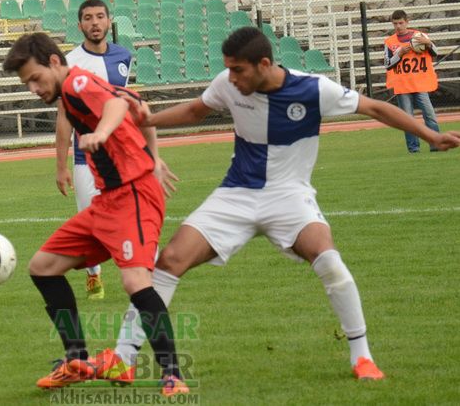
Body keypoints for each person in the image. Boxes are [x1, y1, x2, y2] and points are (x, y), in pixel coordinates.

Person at [96, 26, 460, 382]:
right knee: (170, 260)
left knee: (328, 259)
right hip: (236, 194)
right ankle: (124, 359)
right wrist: (150, 119)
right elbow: (195, 110)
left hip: (289, 196)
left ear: (264, 63)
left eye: (238, 70)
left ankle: (362, 355)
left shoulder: (315, 89)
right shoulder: (228, 82)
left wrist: (431, 134)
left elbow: (376, 108)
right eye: (229, 69)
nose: (231, 77)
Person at [2, 32, 188, 397]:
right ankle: (77, 359)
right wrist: (153, 156)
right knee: (42, 266)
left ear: (54, 62)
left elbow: (117, 110)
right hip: (108, 200)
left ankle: (173, 374)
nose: (34, 89)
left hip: (133, 194)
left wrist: (103, 133)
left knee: (135, 282)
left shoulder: (77, 82)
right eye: (27, 84)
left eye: (36, 78)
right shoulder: (74, 89)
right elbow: (138, 105)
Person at [56, 0, 178, 300]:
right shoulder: (70, 62)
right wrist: (60, 166)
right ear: (80, 25)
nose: (95, 23)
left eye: (100, 17)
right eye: (88, 18)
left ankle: (148, 274)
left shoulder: (124, 56)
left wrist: (153, 157)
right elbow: (64, 118)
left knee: (135, 216)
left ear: (109, 21)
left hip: (126, 156)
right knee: (91, 220)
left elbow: (131, 108)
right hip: (87, 158)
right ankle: (93, 275)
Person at [385, 9, 441, 153]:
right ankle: (413, 149)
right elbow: (387, 64)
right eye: (395, 23)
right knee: (407, 120)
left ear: (407, 22)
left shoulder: (420, 36)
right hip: (402, 86)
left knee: (430, 116)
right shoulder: (390, 42)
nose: (398, 26)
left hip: (419, 83)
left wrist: (428, 43)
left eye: (400, 23)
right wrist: (399, 54)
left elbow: (435, 53)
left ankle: (436, 145)